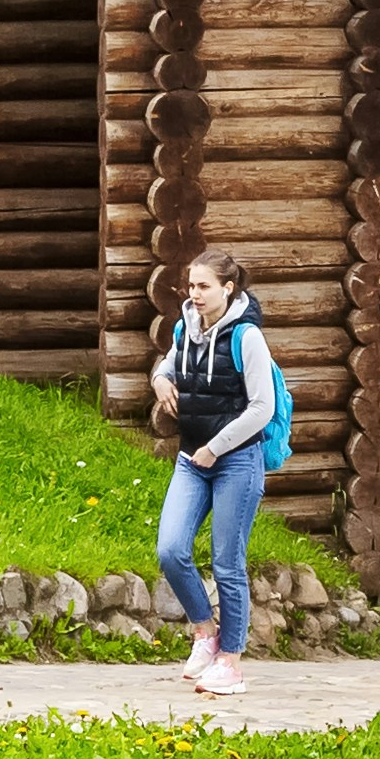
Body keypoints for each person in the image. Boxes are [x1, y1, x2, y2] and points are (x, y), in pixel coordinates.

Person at [148, 247, 280, 701]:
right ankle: (205, 631)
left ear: (228, 288)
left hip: (237, 461)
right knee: (170, 549)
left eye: (205, 286)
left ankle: (231, 662)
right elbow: (169, 363)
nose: (195, 294)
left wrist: (215, 447)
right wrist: (160, 380)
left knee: (227, 562)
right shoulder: (186, 326)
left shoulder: (247, 338)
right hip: (192, 459)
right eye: (191, 286)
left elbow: (263, 408)